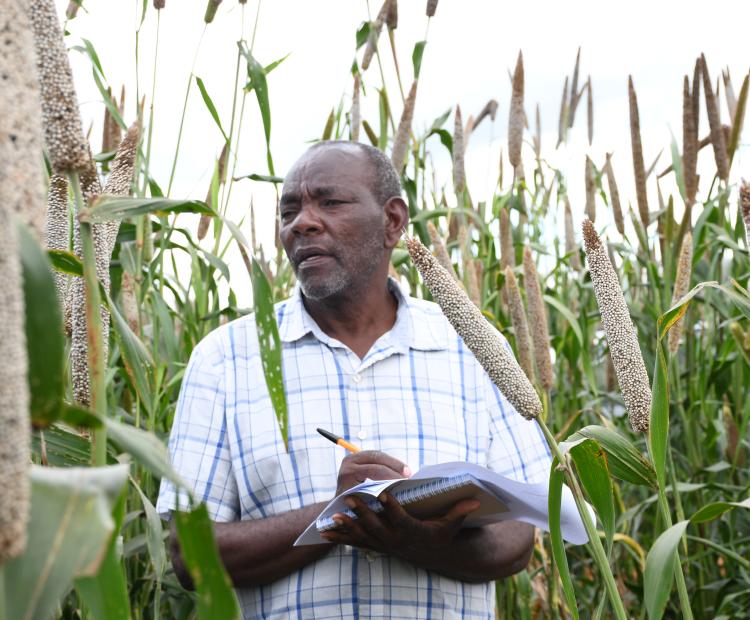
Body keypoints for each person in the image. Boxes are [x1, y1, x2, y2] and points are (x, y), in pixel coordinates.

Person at [156, 141, 552, 619]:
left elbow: (517, 541)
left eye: (329, 202)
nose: (302, 222)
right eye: (289, 210)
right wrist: (339, 513)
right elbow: (190, 555)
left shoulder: (472, 348)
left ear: (392, 222)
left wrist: (414, 540)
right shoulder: (225, 359)